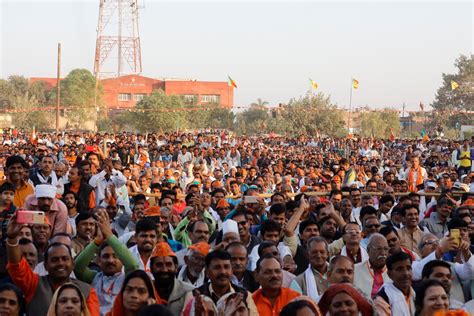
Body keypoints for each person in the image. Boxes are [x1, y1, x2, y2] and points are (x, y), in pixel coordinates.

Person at [5, 214, 100, 316]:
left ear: (72, 264)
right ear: (45, 265)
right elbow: (16, 266)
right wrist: (12, 238)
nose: (60, 263)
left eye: (65, 259)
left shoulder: (87, 291)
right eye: (54, 260)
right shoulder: (34, 284)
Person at [74, 210, 139, 316]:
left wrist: (109, 235)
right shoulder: (94, 277)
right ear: (99, 260)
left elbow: (133, 265)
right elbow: (77, 267)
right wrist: (97, 241)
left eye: (115, 256)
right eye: (106, 256)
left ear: (122, 260)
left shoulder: (127, 278)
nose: (110, 260)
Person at [185, 250, 258, 315]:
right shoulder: (194, 296)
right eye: (217, 267)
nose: (223, 272)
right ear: (207, 272)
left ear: (232, 271)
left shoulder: (245, 296)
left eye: (226, 267)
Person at [150, 242, 194, 315]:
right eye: (159, 265)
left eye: (168, 264)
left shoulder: (189, 292)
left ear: (176, 267)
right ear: (151, 268)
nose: (164, 270)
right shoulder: (146, 291)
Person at [353, 233, 390, 299]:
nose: (383, 253)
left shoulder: (393, 271)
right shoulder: (355, 270)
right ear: (368, 250)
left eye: (385, 249)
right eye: (378, 249)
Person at [291, 237, 329, 301]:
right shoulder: (298, 282)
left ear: (327, 254)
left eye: (322, 252)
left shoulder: (339, 275)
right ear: (307, 254)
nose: (319, 256)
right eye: (314, 252)